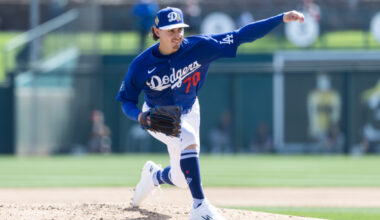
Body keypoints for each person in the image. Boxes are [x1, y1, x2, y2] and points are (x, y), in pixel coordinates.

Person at [116, 7, 304, 220]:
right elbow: (126, 100)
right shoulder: (141, 64)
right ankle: (199, 206)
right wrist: (140, 117)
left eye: (180, 29)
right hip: (158, 116)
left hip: (190, 110)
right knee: (187, 138)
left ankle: (153, 176)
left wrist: (280, 18)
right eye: (171, 31)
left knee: (179, 178)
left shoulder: (200, 47)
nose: (177, 35)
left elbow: (242, 35)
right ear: (157, 32)